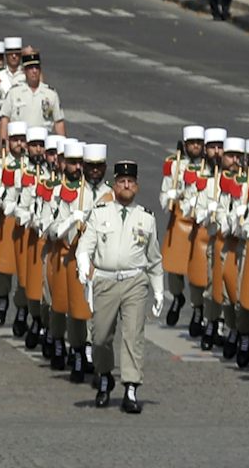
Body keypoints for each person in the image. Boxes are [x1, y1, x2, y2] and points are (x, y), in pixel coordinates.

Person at [78, 157, 164, 413]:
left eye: (131, 182)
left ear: (136, 187)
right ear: (114, 186)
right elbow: (86, 245)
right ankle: (105, 375)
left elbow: (154, 258)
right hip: (105, 279)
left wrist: (158, 290)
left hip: (134, 281)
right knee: (101, 336)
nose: (126, 185)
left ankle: (131, 387)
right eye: (121, 181)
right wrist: (83, 264)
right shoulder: (100, 213)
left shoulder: (146, 218)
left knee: (133, 335)